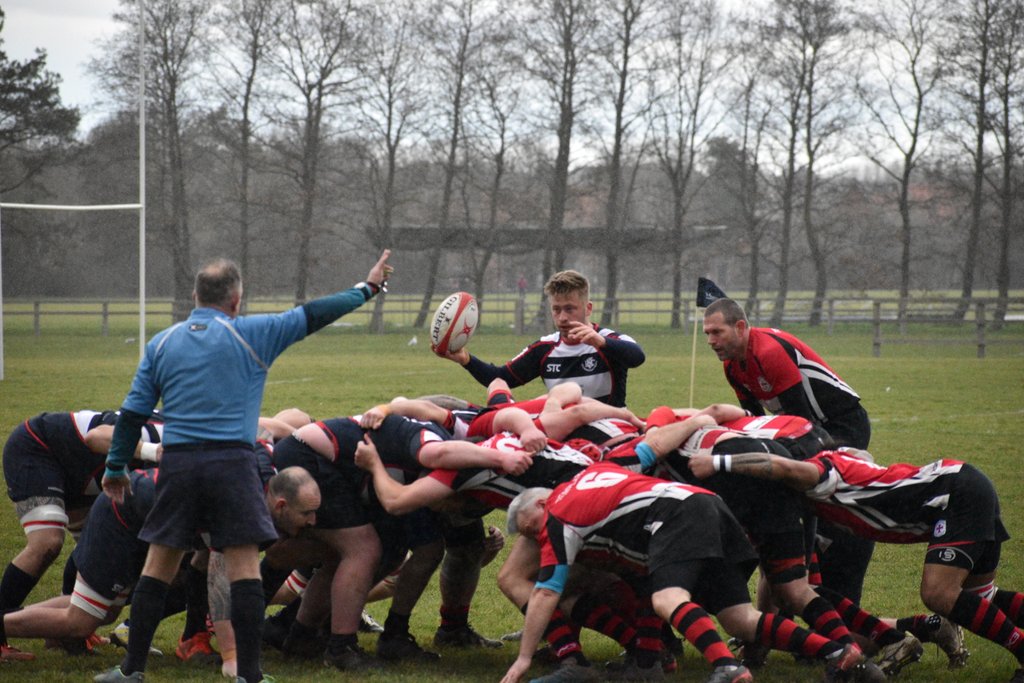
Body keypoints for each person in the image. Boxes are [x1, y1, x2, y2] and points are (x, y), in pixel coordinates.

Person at [93, 248, 392, 683]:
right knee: (244, 569)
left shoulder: (161, 344)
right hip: (232, 464)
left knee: (158, 566)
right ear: (236, 300)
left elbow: (133, 413)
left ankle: (131, 670)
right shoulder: (255, 332)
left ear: (195, 295)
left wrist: (116, 467)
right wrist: (368, 288)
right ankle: (248, 676)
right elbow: (316, 313)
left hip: (178, 465)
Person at [500, 463, 879, 683]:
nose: (535, 537)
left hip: (677, 517)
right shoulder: (592, 476)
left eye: (530, 527)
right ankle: (839, 652)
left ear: (541, 501)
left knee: (668, 599)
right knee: (740, 619)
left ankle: (727, 666)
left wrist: (524, 658)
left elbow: (547, 591)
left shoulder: (557, 514)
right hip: (706, 505)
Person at [688, 447, 1024, 683]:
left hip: (954, 494)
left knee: (939, 593)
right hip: (962, 486)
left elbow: (787, 468)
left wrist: (720, 462)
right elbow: (782, 579)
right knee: (981, 600)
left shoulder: (820, 472)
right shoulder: (813, 499)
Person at [703, 297, 874, 605]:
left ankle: (818, 559)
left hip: (842, 425)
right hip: (810, 428)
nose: (711, 341)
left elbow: (801, 424)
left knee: (817, 497)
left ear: (740, 327)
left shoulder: (768, 351)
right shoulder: (732, 366)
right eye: (707, 334)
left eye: (717, 332)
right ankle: (796, 575)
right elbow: (755, 423)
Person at [1, 409, 162, 630]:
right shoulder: (159, 432)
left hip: (86, 478)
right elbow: (96, 436)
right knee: (47, 543)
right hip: (40, 448)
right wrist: (154, 451)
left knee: (95, 558)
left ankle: (61, 635)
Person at [435, 270, 645, 407]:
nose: (562, 317)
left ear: (588, 308)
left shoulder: (608, 340)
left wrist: (601, 343)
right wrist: (466, 360)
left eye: (570, 309)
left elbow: (637, 357)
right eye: (556, 309)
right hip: (565, 436)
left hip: (612, 429)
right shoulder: (545, 349)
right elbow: (501, 378)